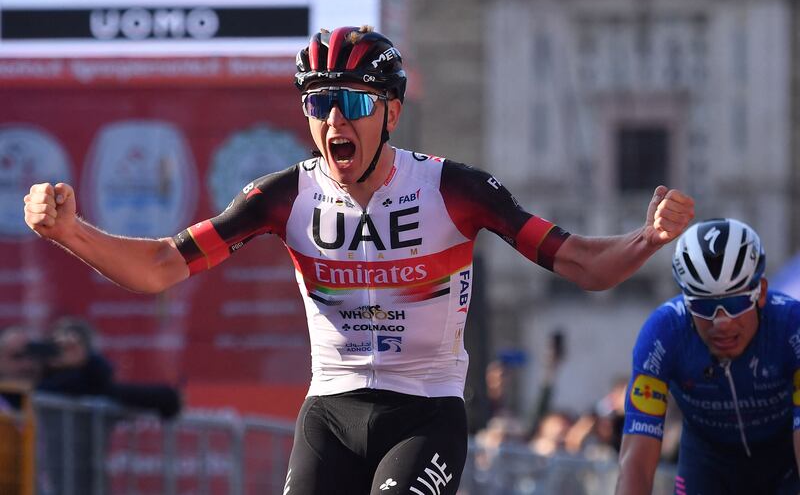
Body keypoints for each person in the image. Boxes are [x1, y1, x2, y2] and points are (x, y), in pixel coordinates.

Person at [24, 25, 694, 495]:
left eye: (352, 102)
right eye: (318, 102)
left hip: (426, 412)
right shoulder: (285, 194)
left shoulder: (453, 188)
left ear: (392, 111)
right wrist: (71, 230)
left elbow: (581, 263)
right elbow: (164, 265)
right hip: (330, 413)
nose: (333, 120)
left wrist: (647, 240)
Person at [615, 218, 800, 495]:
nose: (721, 322)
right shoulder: (664, 334)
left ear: (760, 293)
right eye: (704, 306)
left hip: (784, 464)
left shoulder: (791, 326)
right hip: (707, 465)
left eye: (735, 303)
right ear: (686, 301)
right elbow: (636, 465)